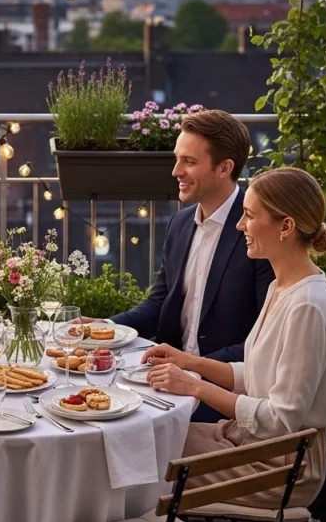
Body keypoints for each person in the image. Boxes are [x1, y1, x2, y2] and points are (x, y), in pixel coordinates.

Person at [142, 167, 326, 509]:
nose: (239, 226)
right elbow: (257, 374)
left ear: (286, 226)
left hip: (283, 467)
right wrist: (189, 361)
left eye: (249, 216)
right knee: (146, 440)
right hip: (252, 443)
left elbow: (281, 421)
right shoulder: (281, 287)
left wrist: (194, 386)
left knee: (142, 461)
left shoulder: (307, 306)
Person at [106, 109, 274, 422]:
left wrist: (193, 368)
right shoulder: (181, 223)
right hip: (169, 380)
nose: (175, 171)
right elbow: (158, 303)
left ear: (225, 168)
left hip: (224, 396)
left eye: (189, 162)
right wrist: (104, 329)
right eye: (177, 158)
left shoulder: (257, 232)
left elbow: (263, 341)